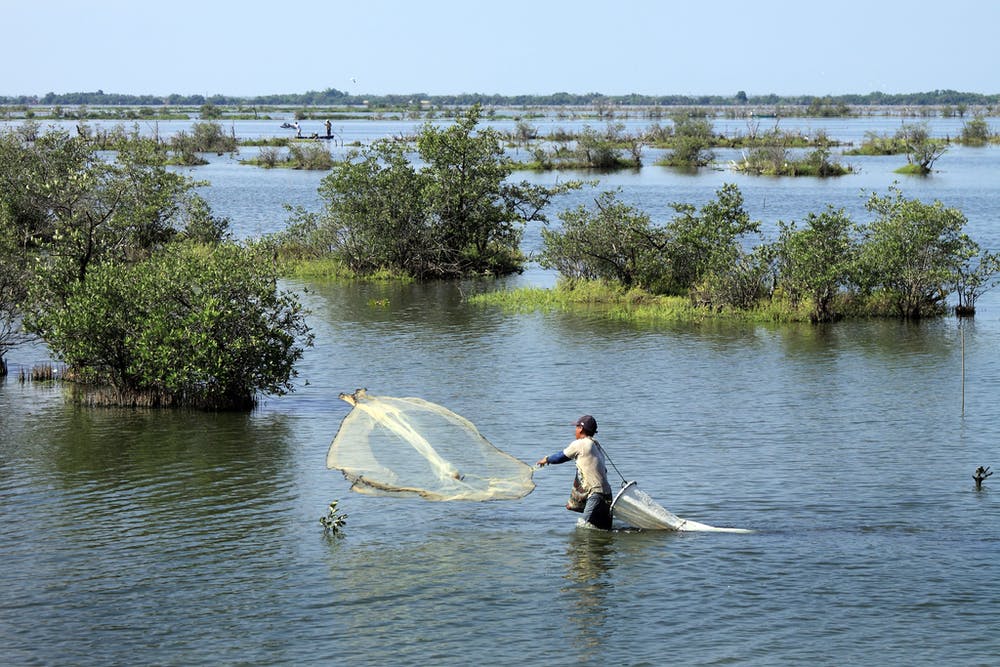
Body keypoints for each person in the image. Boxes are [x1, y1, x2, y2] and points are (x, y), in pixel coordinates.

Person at [537, 415, 613, 530]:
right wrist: (575, 502)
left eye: (576, 427)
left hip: (596, 495)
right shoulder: (596, 444)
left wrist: (546, 459)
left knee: (583, 529)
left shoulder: (580, 444)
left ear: (581, 429)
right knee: (604, 530)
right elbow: (586, 475)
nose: (575, 430)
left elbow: (560, 457)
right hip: (607, 495)